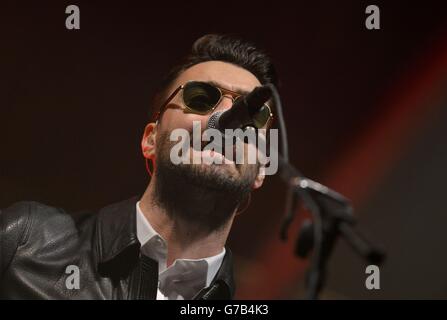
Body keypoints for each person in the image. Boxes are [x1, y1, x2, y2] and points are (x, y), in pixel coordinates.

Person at [0, 34, 278, 299]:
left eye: (250, 114)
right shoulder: (27, 243)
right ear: (151, 139)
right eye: (201, 99)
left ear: (263, 167)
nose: (224, 119)